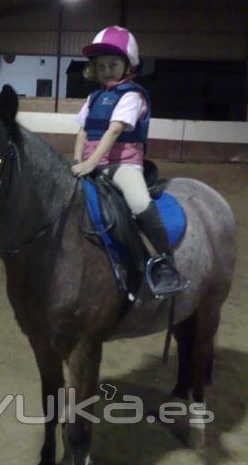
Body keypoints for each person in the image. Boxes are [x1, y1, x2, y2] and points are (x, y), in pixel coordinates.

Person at [71, 25, 185, 298]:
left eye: (113, 64)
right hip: (91, 163)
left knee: (139, 203)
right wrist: (76, 160)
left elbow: (114, 131)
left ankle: (166, 264)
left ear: (128, 66)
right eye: (101, 66)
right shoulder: (94, 97)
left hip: (123, 166)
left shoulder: (131, 95)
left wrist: (90, 165)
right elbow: (83, 131)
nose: (107, 70)